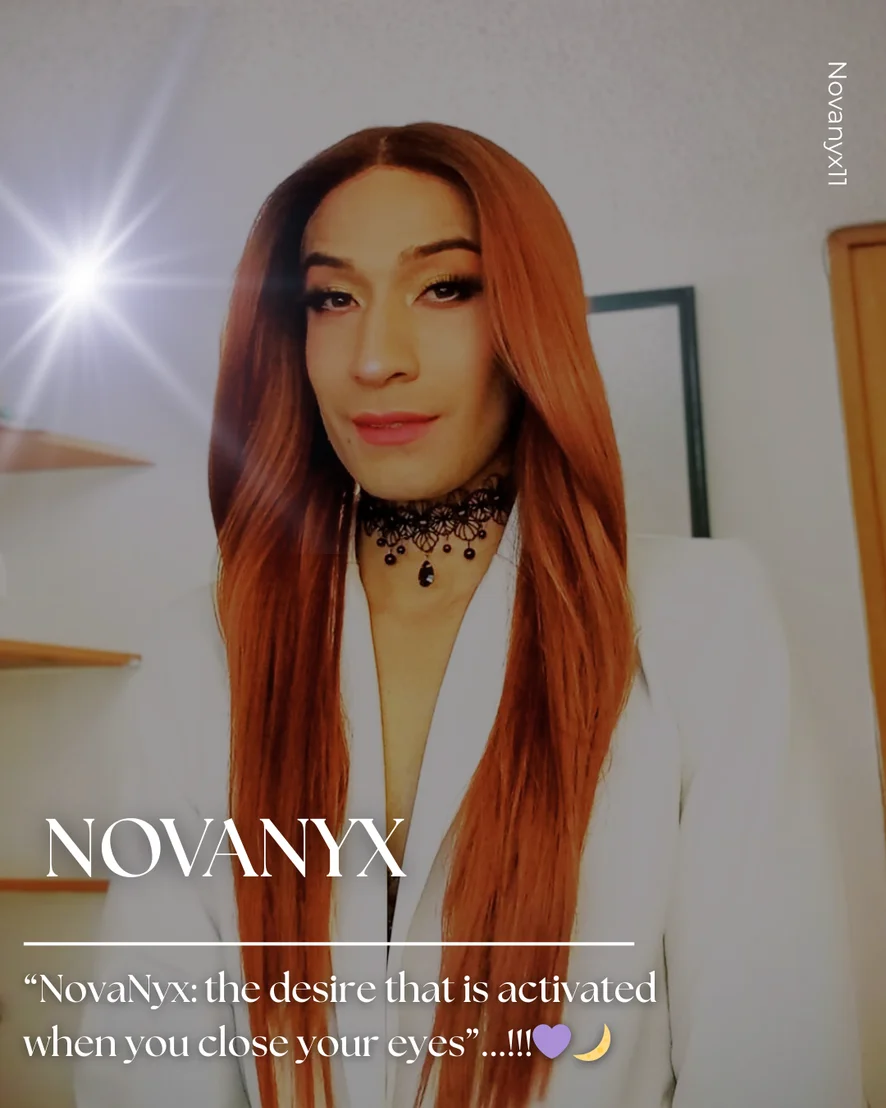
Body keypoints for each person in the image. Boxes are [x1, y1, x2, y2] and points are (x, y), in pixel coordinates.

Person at [75, 121, 865, 1108]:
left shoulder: (701, 620)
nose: (377, 358)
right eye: (333, 298)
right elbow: (152, 1047)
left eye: (445, 287)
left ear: (529, 320)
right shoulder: (205, 648)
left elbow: (771, 1039)